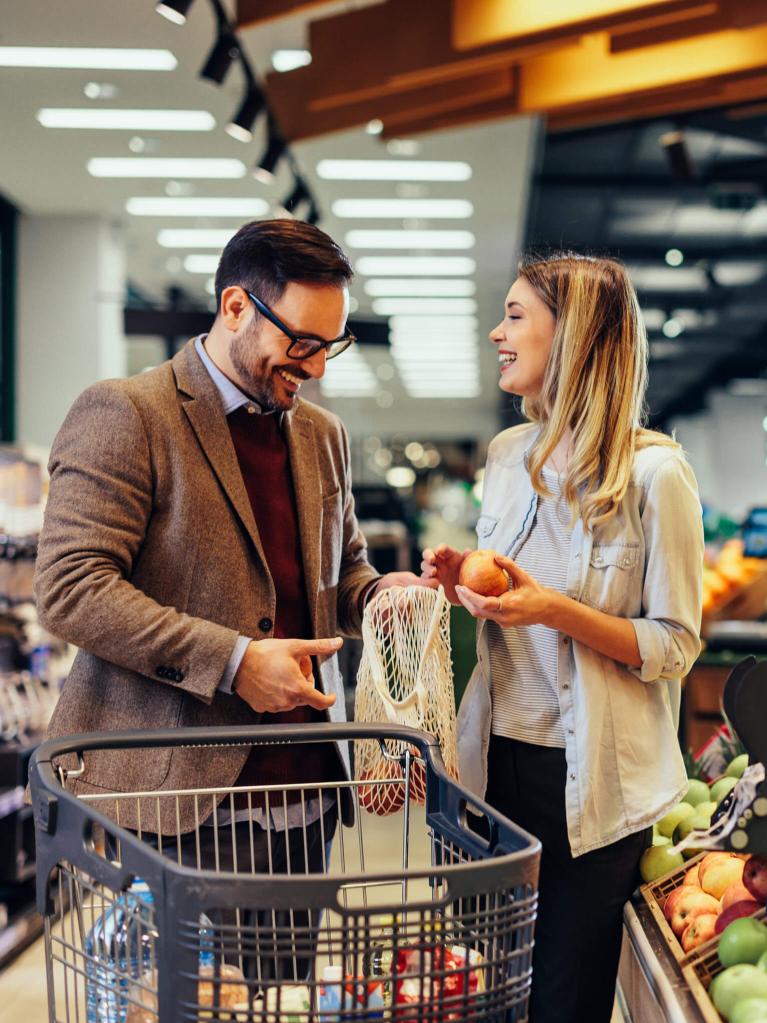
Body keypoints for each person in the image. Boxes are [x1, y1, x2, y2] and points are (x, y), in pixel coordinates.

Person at [35, 218, 429, 976]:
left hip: (303, 797)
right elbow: (69, 587)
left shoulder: (322, 435)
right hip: (176, 805)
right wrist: (234, 660)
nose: (314, 366)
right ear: (236, 306)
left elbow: (338, 575)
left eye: (329, 345)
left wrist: (385, 593)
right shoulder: (129, 413)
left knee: (278, 998)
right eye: (303, 341)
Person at [421, 252, 703, 1023]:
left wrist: (553, 609)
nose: (496, 332)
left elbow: (674, 644)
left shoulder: (653, 475)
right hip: (497, 765)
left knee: (563, 1003)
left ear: (572, 333)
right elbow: (506, 594)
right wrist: (457, 581)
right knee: (491, 996)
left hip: (594, 783)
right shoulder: (507, 458)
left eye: (514, 316)